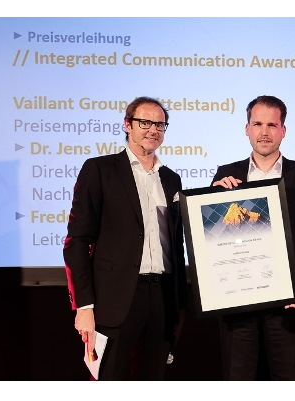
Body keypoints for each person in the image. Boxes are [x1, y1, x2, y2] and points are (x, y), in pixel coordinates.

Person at [64, 96, 188, 380]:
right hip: (116, 298)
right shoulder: (100, 169)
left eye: (160, 125)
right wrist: (84, 306)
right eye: (145, 122)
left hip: (163, 298)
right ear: (127, 125)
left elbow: (177, 243)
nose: (153, 130)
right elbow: (77, 241)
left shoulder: (171, 179)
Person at [211, 95, 295, 380]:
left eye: (272, 125)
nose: (264, 132)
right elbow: (215, 240)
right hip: (237, 303)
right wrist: (214, 202)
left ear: (283, 130)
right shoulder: (226, 175)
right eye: (257, 124)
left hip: (286, 304)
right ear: (247, 129)